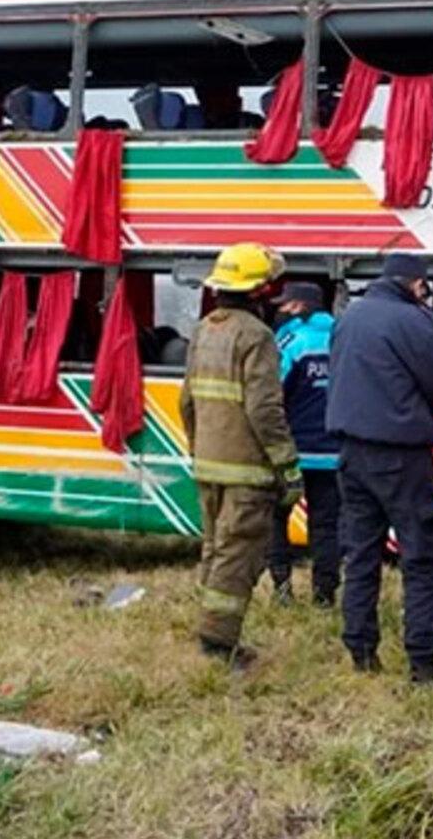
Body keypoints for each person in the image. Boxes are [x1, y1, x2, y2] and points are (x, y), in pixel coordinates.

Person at [326, 253, 433, 683]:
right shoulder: (415, 322)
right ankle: (423, 662)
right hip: (403, 457)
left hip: (352, 453)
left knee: (361, 552)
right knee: (423, 554)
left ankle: (361, 649)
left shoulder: (349, 317)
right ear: (417, 285)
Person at [177, 242, 301, 665]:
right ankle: (218, 643)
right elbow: (264, 408)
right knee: (238, 551)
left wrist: (199, 448)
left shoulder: (204, 329)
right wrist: (286, 464)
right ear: (259, 291)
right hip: (247, 469)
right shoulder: (256, 335)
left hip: (209, 463)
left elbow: (187, 401)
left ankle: (208, 627)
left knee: (214, 546)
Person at [266, 281, 342, 607]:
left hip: (292, 451)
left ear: (299, 307)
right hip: (334, 453)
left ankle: (282, 589)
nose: (281, 310)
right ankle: (324, 595)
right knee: (326, 524)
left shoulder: (290, 341)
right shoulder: (343, 338)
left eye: (286, 305)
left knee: (276, 517)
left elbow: (272, 392)